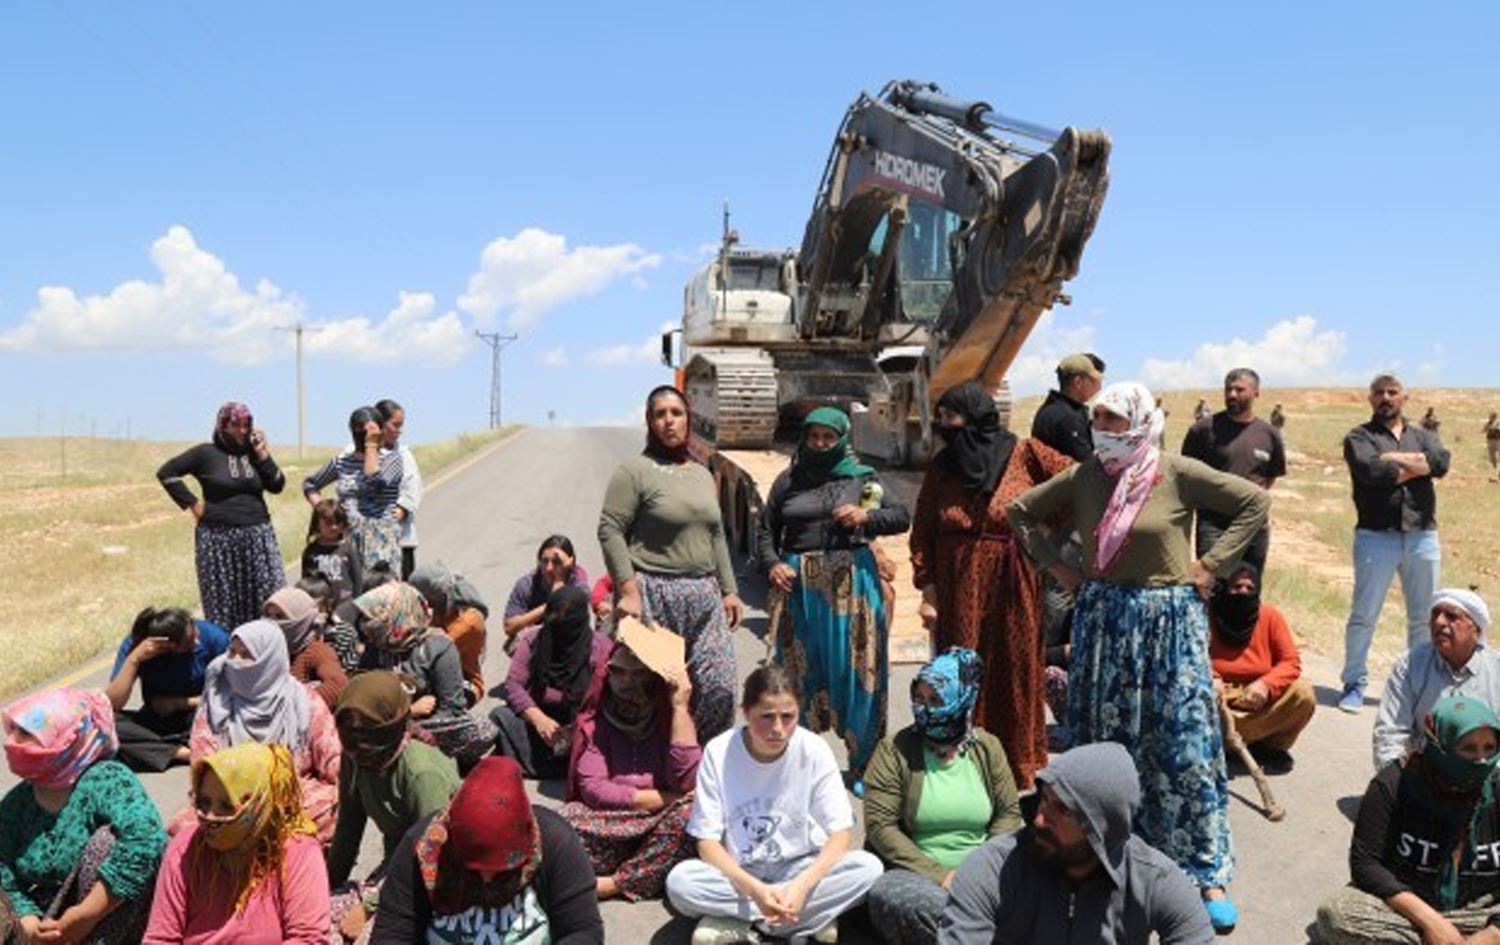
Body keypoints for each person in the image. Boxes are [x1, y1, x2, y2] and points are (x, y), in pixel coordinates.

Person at [1007, 381, 1270, 931]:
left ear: (1142, 421)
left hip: (1169, 626)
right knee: (1108, 745)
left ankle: (1204, 869)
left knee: (1185, 746)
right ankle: (1105, 854)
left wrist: (1210, 565)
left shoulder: (1173, 471)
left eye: (1115, 420)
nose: (1104, 430)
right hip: (1104, 626)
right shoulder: (1084, 476)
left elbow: (1253, 502)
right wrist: (1059, 568)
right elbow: (1019, 513)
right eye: (1098, 419)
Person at [909, 381, 1074, 788]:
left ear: (978, 416)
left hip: (1013, 580)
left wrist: (1045, 542)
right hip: (957, 582)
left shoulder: (1026, 453)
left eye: (952, 417)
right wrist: (927, 589)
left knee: (1014, 668)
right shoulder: (944, 466)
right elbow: (924, 528)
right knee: (963, 669)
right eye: (943, 418)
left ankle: (1016, 765)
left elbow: (1077, 485)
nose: (945, 426)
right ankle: (960, 761)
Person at [665, 666, 883, 944]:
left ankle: (744, 923)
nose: (778, 729)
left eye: (788, 717)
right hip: (741, 874)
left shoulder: (814, 749)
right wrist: (756, 890)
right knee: (681, 882)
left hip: (801, 868)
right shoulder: (719, 752)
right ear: (746, 713)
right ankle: (801, 922)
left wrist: (801, 887)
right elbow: (706, 843)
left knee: (868, 869)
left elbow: (840, 834)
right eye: (766, 717)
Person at [757, 406, 909, 782]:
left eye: (829, 437)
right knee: (799, 673)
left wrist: (866, 518)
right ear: (805, 438)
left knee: (859, 674)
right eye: (814, 437)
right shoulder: (787, 480)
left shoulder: (863, 479)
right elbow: (764, 532)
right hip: (799, 592)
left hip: (852, 587)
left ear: (841, 439)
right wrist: (773, 564)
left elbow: (901, 515)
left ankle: (864, 766)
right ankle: (800, 767)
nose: (821, 444)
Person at [936, 743, 1214, 945]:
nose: (1040, 820)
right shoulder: (994, 868)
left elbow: (1195, 935)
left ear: (1100, 829)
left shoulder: (1153, 878)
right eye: (1043, 799)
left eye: (1064, 811)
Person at [599, 386, 745, 741]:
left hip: (704, 596)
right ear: (650, 422)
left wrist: (730, 590)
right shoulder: (634, 471)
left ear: (688, 420)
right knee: (654, 691)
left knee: (718, 688)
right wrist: (628, 591)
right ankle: (656, 771)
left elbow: (716, 534)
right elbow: (610, 529)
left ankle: (701, 767)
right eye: (660, 414)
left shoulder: (702, 474)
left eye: (676, 413)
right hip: (653, 593)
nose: (669, 421)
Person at [864, 649, 1023, 945]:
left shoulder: (988, 747)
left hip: (986, 875)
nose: (923, 708)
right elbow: (880, 827)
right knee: (892, 896)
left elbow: (1009, 815)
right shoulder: (894, 750)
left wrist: (982, 873)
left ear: (963, 698)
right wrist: (941, 877)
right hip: (919, 878)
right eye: (919, 698)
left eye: (935, 700)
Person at [1316, 695, 1500, 944]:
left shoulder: (1497, 787)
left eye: (1489, 748)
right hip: (1410, 908)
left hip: (1484, 910)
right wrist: (1431, 922)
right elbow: (1366, 864)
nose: (1481, 760)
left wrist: (1493, 934)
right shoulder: (1394, 783)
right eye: (1468, 748)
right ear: (1438, 745)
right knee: (1336, 914)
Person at [368, 756, 604, 944]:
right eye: (474, 869)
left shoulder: (556, 842)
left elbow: (584, 931)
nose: (486, 879)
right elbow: (391, 935)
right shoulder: (423, 847)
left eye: (501, 872)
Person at [0, 687, 167, 943]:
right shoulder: (16, 803)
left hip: (109, 913)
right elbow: (3, 869)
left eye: (27, 734)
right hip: (46, 926)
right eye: (15, 732)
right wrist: (30, 922)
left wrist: (88, 913)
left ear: (66, 738)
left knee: (105, 843)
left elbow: (146, 838)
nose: (13, 742)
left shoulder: (106, 779)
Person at [171, 619, 342, 843]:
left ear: (270, 661)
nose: (235, 661)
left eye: (246, 655)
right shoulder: (217, 701)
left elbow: (331, 755)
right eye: (232, 652)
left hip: (289, 794)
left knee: (327, 811)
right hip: (229, 795)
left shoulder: (303, 701)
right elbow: (203, 759)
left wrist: (342, 786)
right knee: (184, 830)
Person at [1340, 373, 1452, 713]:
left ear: (1405, 397)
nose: (1386, 397)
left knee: (1423, 617)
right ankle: (1354, 683)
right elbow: (1371, 472)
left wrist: (1393, 459)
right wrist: (1416, 465)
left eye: (1392, 392)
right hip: (1376, 535)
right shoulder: (1359, 436)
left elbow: (1441, 463)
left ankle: (1418, 687)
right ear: (1370, 398)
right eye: (1379, 393)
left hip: (1422, 535)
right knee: (1364, 614)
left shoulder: (1424, 434)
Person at [143, 742, 330, 944]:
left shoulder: (297, 852)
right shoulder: (185, 848)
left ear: (258, 805)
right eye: (204, 802)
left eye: (227, 806)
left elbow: (308, 938)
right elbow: (161, 937)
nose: (210, 816)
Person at [560, 637, 701, 902]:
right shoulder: (597, 722)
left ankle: (616, 882)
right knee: (564, 819)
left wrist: (680, 707)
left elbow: (687, 782)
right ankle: (647, 866)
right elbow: (593, 790)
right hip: (614, 822)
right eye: (618, 672)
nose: (626, 683)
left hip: (664, 823)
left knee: (691, 814)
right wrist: (666, 799)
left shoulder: (672, 718)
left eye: (638, 674)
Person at [326, 672, 461, 943]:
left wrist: (368, 909)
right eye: (348, 733)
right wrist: (325, 887)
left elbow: (432, 856)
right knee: (324, 922)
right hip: (401, 863)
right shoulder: (357, 757)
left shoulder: (421, 773)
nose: (355, 746)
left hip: (444, 872)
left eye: (364, 733)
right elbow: (348, 831)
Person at [157, 401, 287, 631]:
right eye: (235, 425)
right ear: (222, 426)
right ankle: (229, 656)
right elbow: (167, 473)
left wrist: (263, 453)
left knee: (269, 597)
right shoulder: (205, 453)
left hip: (258, 536)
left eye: (247, 425)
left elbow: (277, 484)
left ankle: (268, 652)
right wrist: (193, 504)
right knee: (224, 603)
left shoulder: (254, 453)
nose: (242, 431)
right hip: (218, 540)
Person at [354, 582, 498, 770]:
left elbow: (451, 709)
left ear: (398, 615)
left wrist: (413, 732)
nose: (366, 625)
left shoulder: (438, 648)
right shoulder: (375, 649)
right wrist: (409, 713)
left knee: (482, 728)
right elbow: (365, 704)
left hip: (428, 731)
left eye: (373, 617)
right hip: (387, 728)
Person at [1373, 589, 1500, 771]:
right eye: (1435, 614)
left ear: (1476, 630)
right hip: (1424, 775)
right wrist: (1395, 776)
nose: (1439, 622)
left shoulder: (1496, 670)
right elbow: (1390, 732)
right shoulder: (1411, 664)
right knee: (1377, 797)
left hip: (1483, 774)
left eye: (1451, 616)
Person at [1208, 562, 1316, 772]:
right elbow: (1188, 654)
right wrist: (1210, 676)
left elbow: (1290, 661)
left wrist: (1266, 685)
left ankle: (1266, 747)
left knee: (1303, 693)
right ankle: (1220, 744)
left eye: (1250, 589)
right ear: (1224, 589)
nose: (1243, 593)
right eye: (1237, 587)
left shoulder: (1270, 617)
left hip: (1255, 700)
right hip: (1217, 700)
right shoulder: (1205, 614)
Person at [495, 585, 611, 779]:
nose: (559, 627)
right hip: (540, 718)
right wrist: (539, 719)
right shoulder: (533, 640)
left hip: (581, 721)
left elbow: (608, 697)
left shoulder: (600, 648)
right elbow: (514, 684)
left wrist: (577, 727)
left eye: (567, 621)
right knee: (501, 716)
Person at [1181, 367, 1287, 575]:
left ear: (1256, 393)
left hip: (1254, 525)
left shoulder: (1269, 434)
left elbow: (1270, 476)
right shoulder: (1202, 430)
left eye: (1240, 390)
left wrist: (1250, 501)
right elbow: (1186, 474)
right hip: (1213, 524)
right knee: (1211, 587)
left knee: (1247, 588)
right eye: (1228, 389)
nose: (1232, 395)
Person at [106, 606, 230, 772]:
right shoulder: (136, 645)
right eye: (188, 643)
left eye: (195, 634)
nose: (197, 642)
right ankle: (182, 753)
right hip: (157, 720)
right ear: (164, 645)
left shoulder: (214, 637)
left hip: (201, 715)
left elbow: (234, 693)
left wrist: (179, 703)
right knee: (104, 721)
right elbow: (112, 704)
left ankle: (152, 749)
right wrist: (134, 660)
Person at [302, 406, 404, 574]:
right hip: (347, 538)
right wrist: (324, 511)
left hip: (380, 538)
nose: (364, 436)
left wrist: (371, 446)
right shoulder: (342, 462)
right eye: (360, 431)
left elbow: (374, 480)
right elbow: (310, 484)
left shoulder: (391, 459)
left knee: (378, 592)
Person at [410, 560, 491, 707]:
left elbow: (431, 648)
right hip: (436, 674)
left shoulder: (468, 621)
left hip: (465, 683)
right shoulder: (439, 613)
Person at [503, 535, 592, 654]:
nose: (549, 568)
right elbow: (509, 627)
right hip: (534, 646)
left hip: (569, 648)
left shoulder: (578, 585)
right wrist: (547, 606)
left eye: (556, 562)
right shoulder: (528, 584)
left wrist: (559, 583)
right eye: (544, 561)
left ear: (570, 563)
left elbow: (565, 624)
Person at [264, 586, 348, 710]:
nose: (272, 623)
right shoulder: (268, 648)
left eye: (280, 617)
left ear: (301, 620)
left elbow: (338, 685)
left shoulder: (316, 651)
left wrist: (295, 706)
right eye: (269, 616)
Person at [376, 399, 423, 580]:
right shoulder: (356, 453)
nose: (399, 431)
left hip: (401, 538)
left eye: (401, 425)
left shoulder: (404, 455)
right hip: (370, 540)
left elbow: (413, 487)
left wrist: (401, 510)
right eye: (395, 425)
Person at [1030, 352, 1105, 462]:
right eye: (1093, 381)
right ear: (1078, 382)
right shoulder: (1067, 417)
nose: (1099, 387)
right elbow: (1085, 464)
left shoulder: (1053, 409)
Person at [302, 498, 363, 605]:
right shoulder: (310, 551)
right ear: (317, 524)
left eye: (337, 522)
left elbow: (357, 580)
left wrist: (357, 605)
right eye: (328, 523)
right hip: (319, 605)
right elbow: (306, 582)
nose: (334, 527)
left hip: (345, 605)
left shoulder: (348, 549)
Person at [1486, 411, 1500, 478]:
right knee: (1492, 457)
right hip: (1490, 440)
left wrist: (1496, 428)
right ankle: (1495, 469)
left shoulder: (1498, 423)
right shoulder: (1489, 423)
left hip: (1497, 441)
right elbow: (1484, 430)